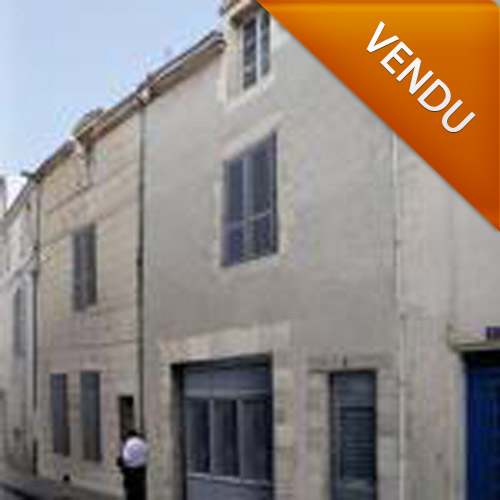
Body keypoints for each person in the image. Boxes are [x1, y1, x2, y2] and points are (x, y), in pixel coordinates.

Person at [117, 430, 148, 500]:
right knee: (140, 492)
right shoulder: (142, 443)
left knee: (131, 493)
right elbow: (146, 454)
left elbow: (126, 458)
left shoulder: (128, 443)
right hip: (141, 470)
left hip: (130, 472)